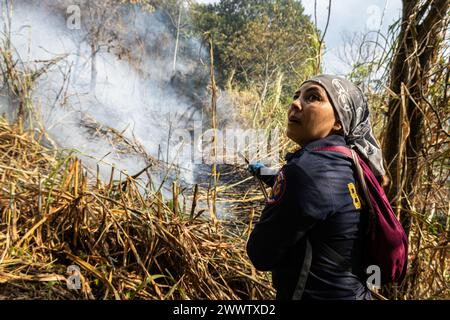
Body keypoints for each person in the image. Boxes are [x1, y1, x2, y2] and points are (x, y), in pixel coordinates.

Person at [246, 74, 387, 300]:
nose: (295, 103)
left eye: (313, 97)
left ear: (339, 121)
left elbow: (260, 254)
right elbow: (324, 196)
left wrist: (281, 192)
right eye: (296, 96)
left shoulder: (307, 171)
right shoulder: (352, 162)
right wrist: (268, 174)